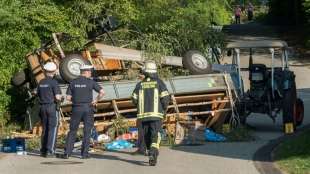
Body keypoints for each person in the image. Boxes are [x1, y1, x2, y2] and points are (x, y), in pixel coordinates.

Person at [131, 61, 171, 166]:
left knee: (147, 136)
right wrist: (164, 109)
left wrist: (141, 106)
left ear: (145, 72)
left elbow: (134, 99)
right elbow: (166, 98)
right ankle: (153, 153)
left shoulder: (139, 84)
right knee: (155, 135)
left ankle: (148, 151)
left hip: (142, 117)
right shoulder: (159, 83)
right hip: (156, 115)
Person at [63, 65, 105, 159]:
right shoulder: (91, 82)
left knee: (72, 130)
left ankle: (67, 153)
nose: (90, 73)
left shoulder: (73, 82)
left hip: (76, 108)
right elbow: (102, 92)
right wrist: (96, 100)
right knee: (87, 131)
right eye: (90, 72)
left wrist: (76, 100)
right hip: (88, 108)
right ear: (86, 72)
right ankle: (84, 154)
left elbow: (68, 97)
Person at [37, 62, 62, 157]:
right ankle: (50, 151)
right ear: (54, 71)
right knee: (53, 128)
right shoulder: (54, 82)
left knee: (45, 128)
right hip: (51, 107)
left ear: (45, 71)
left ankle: (43, 150)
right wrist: (60, 98)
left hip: (42, 107)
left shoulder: (41, 82)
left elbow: (38, 95)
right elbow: (58, 97)